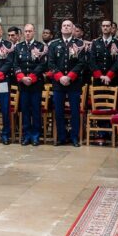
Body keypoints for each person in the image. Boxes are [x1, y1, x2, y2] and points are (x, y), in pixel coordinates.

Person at [48, 19, 86, 147]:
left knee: (75, 111)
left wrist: (69, 76)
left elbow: (81, 63)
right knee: (59, 111)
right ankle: (61, 137)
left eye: (69, 25)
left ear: (73, 28)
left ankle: (74, 137)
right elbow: (51, 63)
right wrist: (60, 77)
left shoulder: (79, 44)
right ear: (60, 29)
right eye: (64, 26)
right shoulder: (53, 44)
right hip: (58, 84)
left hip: (73, 83)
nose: (66, 27)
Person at [12, 23, 46, 146]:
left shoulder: (40, 46)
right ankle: (26, 136)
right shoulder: (18, 47)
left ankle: (36, 136)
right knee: (25, 111)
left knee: (36, 111)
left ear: (34, 32)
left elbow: (42, 65)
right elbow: (15, 64)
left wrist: (31, 77)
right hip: (23, 84)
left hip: (35, 84)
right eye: (26, 31)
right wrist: (22, 77)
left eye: (30, 31)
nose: (27, 33)